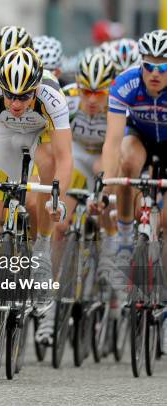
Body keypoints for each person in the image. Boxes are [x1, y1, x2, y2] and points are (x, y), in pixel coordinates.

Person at [0, 47, 72, 358]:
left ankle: (42, 250)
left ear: (36, 88)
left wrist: (57, 197)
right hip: (2, 136)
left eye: (24, 97)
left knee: (41, 192)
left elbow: (64, 157)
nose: (16, 103)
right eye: (9, 96)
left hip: (39, 136)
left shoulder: (52, 97)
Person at [35, 51, 116, 344]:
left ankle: (110, 250)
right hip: (78, 157)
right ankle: (51, 309)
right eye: (86, 91)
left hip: (107, 158)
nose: (92, 99)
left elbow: (120, 146)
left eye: (99, 92)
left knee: (107, 206)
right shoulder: (66, 100)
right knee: (59, 226)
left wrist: (106, 184)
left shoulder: (120, 105)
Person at [99, 30, 167, 350]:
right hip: (139, 138)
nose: (155, 73)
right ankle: (126, 237)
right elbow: (112, 141)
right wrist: (104, 182)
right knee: (127, 161)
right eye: (149, 65)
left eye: (163, 67)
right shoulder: (125, 83)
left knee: (165, 223)